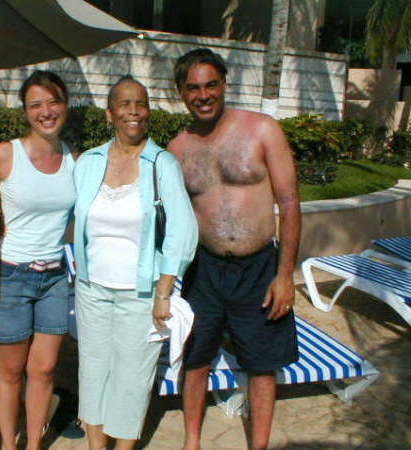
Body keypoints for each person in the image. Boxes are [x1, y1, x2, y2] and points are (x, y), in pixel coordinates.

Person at [167, 48, 301, 450]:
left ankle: (258, 446)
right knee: (195, 359)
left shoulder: (262, 130)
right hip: (204, 270)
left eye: (211, 85)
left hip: (259, 268)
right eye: (193, 88)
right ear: (181, 93)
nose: (203, 95)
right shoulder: (177, 149)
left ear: (224, 84)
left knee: (261, 365)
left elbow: (290, 202)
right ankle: (192, 442)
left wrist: (285, 275)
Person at [73, 75, 198, 450]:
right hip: (91, 287)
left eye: (140, 104)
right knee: (92, 369)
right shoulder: (89, 162)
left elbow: (182, 231)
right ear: (110, 113)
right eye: (125, 104)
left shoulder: (162, 164)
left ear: (148, 113)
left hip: (141, 292)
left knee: (132, 377)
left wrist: (163, 292)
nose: (133, 111)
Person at [0, 70, 76, 450]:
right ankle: (9, 444)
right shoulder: (8, 153)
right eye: (36, 104)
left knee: (45, 369)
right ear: (25, 111)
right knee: (10, 371)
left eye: (53, 102)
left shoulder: (73, 158)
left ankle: (34, 443)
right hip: (11, 276)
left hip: (54, 277)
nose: (46, 111)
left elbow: (75, 219)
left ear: (65, 105)